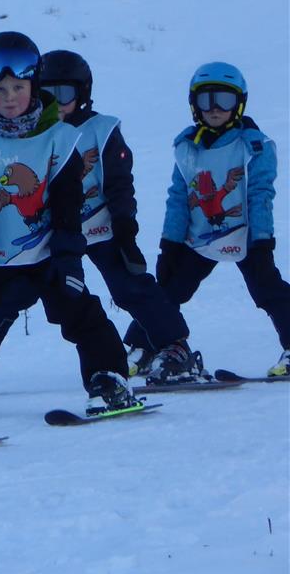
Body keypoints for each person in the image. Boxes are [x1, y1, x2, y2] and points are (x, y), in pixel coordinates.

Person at [0, 50, 209, 399]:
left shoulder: (101, 130)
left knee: (129, 285)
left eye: (66, 94)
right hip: (49, 234)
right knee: (11, 292)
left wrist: (125, 227)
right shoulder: (32, 133)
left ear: (83, 93)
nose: (58, 103)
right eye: (49, 93)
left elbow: (119, 182)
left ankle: (173, 345)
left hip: (99, 226)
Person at [0, 32, 139, 417]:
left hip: (48, 258)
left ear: (34, 86)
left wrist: (69, 260)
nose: (9, 98)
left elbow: (69, 205)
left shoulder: (61, 139)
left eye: (18, 87)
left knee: (84, 314)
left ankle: (109, 381)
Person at [122, 62, 290, 377]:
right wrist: (170, 244)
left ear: (239, 104)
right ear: (194, 104)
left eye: (224, 100)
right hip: (199, 237)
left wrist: (262, 241)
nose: (214, 109)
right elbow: (178, 198)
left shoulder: (254, 146)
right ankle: (144, 346)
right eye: (206, 100)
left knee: (267, 289)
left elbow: (260, 195)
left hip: (245, 235)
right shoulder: (187, 147)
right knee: (168, 290)